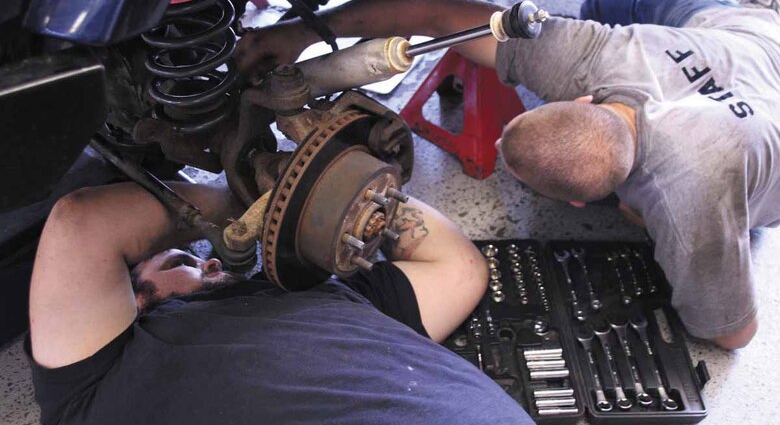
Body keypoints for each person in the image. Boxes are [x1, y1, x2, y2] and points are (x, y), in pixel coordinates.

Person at [237, 0, 780, 350]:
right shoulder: (596, 52)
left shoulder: (691, 203)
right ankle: (759, 0)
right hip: (742, 39)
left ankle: (762, 1)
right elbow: (427, 10)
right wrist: (300, 32)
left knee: (623, 3)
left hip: (755, 81)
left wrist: (649, 219)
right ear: (582, 97)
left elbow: (733, 334)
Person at [27, 181, 534, 424]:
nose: (211, 258)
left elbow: (457, 268)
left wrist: (347, 187)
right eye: (183, 259)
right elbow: (83, 222)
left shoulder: (331, 297)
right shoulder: (92, 386)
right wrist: (250, 201)